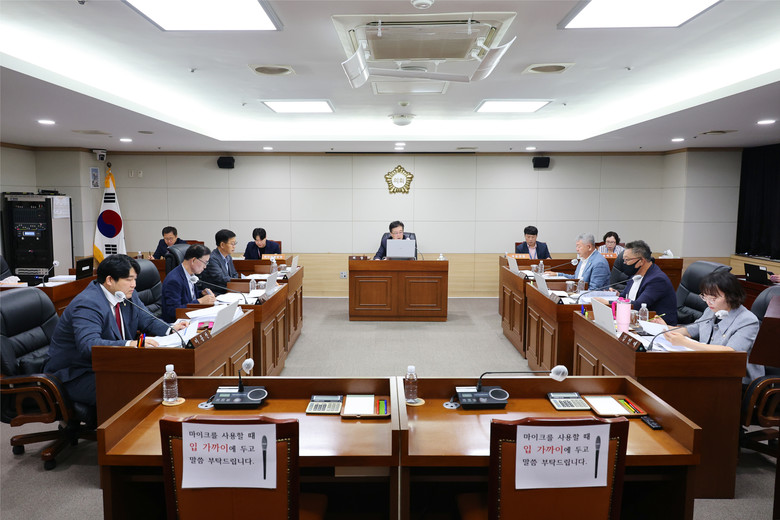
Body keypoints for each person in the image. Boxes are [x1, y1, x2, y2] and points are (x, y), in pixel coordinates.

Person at [44, 254, 188, 407]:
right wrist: (131, 344)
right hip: (78, 373)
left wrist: (171, 329)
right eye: (129, 280)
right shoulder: (88, 303)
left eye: (135, 279)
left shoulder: (126, 295)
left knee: (156, 377)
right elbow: (89, 345)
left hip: (111, 365)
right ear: (109, 280)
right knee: (138, 390)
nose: (134, 285)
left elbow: (147, 319)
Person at [658, 269, 762, 385]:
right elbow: (690, 330)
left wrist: (685, 343)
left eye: (713, 298)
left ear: (731, 296)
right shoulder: (710, 311)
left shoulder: (747, 320)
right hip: (708, 367)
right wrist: (665, 328)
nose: (708, 302)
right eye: (705, 296)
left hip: (736, 379)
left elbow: (731, 352)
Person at [616, 240, 678, 325]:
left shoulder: (657, 280)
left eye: (627, 260)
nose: (624, 263)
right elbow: (623, 297)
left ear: (641, 261)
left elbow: (638, 305)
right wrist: (612, 297)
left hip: (660, 327)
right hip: (636, 322)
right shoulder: (635, 275)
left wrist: (608, 303)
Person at [161, 244, 216, 322]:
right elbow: (173, 311)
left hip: (191, 317)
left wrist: (201, 293)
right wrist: (200, 301)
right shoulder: (174, 280)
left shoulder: (190, 274)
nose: (205, 267)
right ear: (193, 260)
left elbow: (188, 297)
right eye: (205, 262)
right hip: (178, 323)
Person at [200, 229, 238, 294]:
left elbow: (234, 274)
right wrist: (236, 281)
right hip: (216, 293)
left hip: (228, 290)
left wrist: (236, 281)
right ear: (222, 245)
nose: (234, 246)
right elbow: (221, 278)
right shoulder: (212, 258)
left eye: (235, 243)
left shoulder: (228, 256)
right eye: (232, 244)